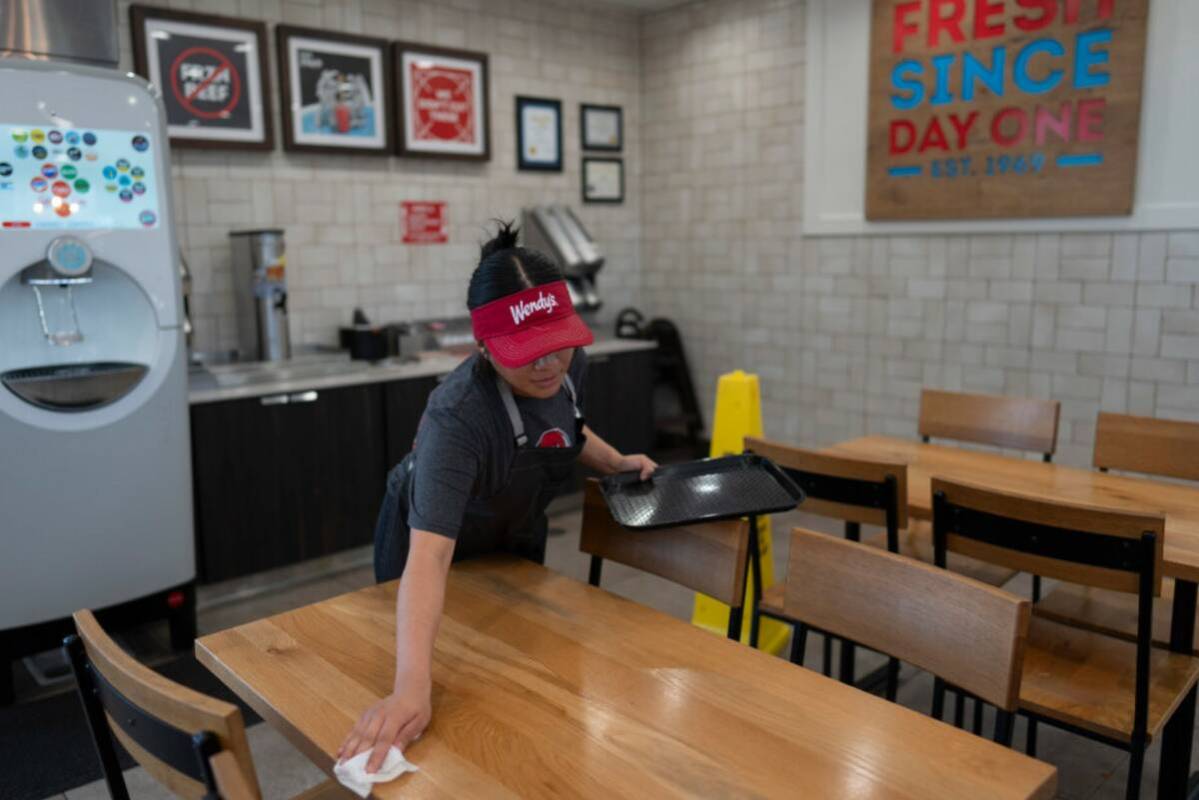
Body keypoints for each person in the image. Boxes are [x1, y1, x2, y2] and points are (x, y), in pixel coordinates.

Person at [338, 222, 656, 772]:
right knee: (446, 701)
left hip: (514, 529)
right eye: (527, 351)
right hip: (435, 542)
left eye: (558, 346)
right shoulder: (457, 415)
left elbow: (564, 429)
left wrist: (614, 461)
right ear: (482, 345)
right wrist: (411, 691)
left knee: (517, 684)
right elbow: (429, 556)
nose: (547, 364)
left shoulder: (566, 364)